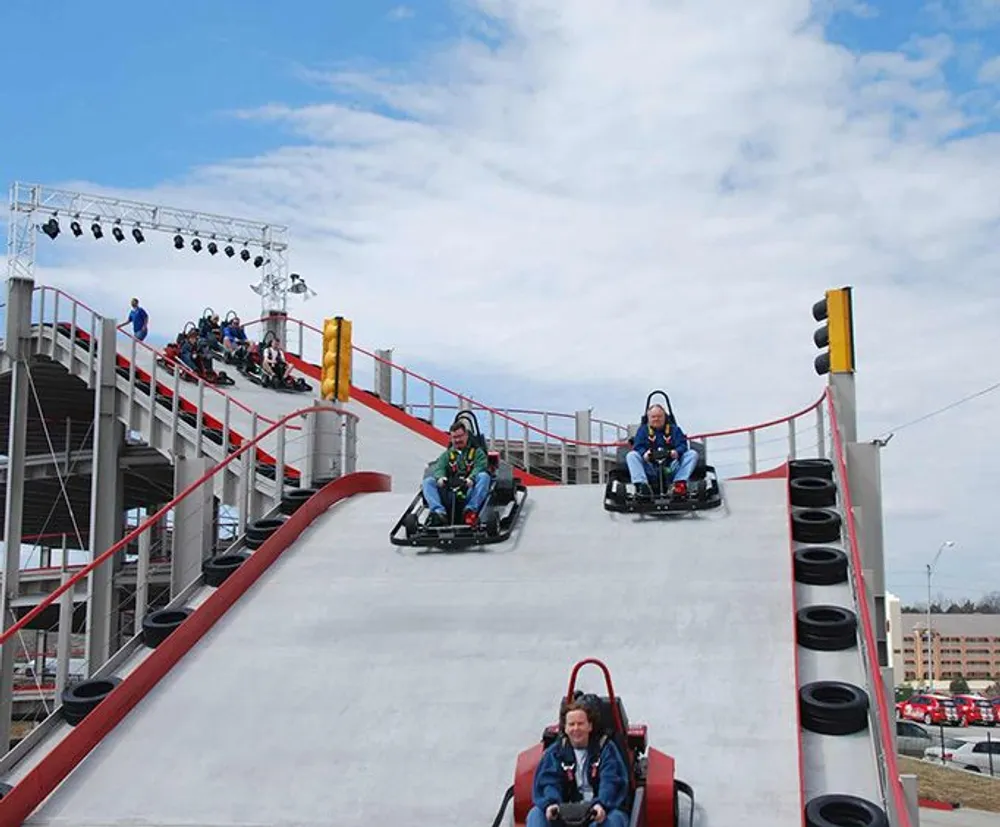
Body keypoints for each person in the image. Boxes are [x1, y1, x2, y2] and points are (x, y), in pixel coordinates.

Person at [527, 699, 630, 827]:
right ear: (565, 728)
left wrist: (602, 804)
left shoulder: (606, 749)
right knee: (535, 814)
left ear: (590, 726)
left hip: (600, 811)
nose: (576, 728)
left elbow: (611, 780)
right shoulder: (555, 752)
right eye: (571, 724)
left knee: (614, 820)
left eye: (580, 724)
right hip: (564, 812)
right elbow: (548, 780)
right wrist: (551, 803)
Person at [421, 420, 490, 527]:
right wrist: (441, 478)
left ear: (466, 435)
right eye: (454, 437)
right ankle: (439, 513)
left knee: (484, 476)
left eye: (460, 436)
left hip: (470, 489)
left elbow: (480, 467)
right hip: (450, 489)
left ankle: (470, 511)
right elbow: (439, 468)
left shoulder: (477, 452)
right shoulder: (447, 455)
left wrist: (471, 478)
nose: (457, 440)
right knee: (428, 481)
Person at [627, 403, 697, 499]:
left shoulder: (675, 430)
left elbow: (682, 445)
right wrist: (644, 454)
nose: (656, 419)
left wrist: (676, 452)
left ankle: (678, 485)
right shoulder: (642, 431)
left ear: (665, 417)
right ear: (649, 418)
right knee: (631, 455)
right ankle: (642, 487)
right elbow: (638, 446)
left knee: (692, 454)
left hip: (670, 467)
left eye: (659, 416)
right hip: (650, 468)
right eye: (653, 417)